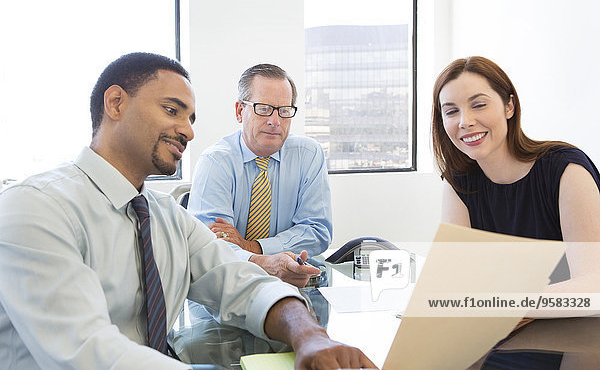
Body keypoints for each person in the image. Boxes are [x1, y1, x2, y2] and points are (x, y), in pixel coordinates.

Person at [0, 53, 376, 370]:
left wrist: (308, 335)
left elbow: (242, 281)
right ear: (115, 103)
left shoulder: (164, 214)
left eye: (191, 118)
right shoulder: (35, 207)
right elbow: (88, 352)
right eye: (172, 110)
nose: (189, 132)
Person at [431, 55, 600, 300]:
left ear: (509, 106)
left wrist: (501, 303)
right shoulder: (458, 182)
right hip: (505, 326)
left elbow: (593, 285)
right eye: (451, 111)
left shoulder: (566, 169)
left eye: (478, 105)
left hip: (575, 329)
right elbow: (456, 280)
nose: (465, 122)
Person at [188, 64, 331, 288]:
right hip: (227, 288)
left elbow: (317, 231)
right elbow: (211, 246)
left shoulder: (308, 155)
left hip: (295, 284)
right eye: (263, 108)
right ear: (239, 111)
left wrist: (253, 246)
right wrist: (264, 262)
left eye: (284, 110)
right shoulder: (215, 162)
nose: (275, 121)